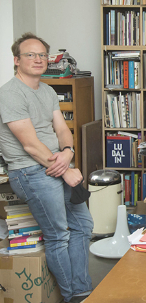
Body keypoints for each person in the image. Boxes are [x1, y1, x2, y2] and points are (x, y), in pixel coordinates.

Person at [0, 33, 94, 303]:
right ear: (17, 60)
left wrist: (68, 152)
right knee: (58, 235)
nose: (38, 59)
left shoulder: (48, 90)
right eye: (30, 54)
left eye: (42, 55)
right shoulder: (10, 93)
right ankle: (72, 296)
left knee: (83, 225)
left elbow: (62, 129)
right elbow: (30, 145)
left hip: (55, 163)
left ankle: (82, 289)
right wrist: (66, 169)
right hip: (30, 171)